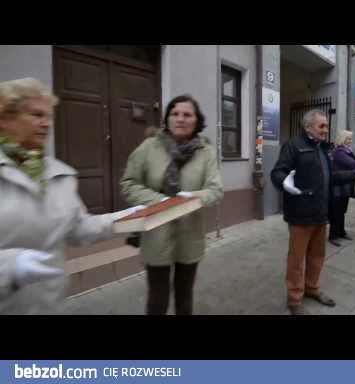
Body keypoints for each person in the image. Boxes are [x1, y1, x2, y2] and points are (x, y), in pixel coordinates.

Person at [0, 78, 144, 314]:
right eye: (36, 115)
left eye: (49, 117)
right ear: (5, 118)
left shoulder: (59, 175)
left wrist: (127, 218)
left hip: (48, 305)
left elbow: (79, 229)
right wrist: (9, 267)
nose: (46, 124)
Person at [121, 95, 223, 315]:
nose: (180, 119)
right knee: (157, 299)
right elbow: (129, 183)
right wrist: (162, 202)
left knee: (184, 297)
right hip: (156, 234)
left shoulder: (206, 152)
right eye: (175, 114)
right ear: (167, 118)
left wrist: (191, 198)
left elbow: (215, 189)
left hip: (189, 236)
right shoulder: (149, 147)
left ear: (197, 120)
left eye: (187, 115)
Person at [270, 109, 355, 315]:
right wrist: (284, 182)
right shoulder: (293, 145)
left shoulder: (324, 149)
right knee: (297, 259)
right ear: (307, 127)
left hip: (321, 212)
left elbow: (331, 177)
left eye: (326, 125)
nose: (326, 129)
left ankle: (312, 289)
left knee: (317, 256)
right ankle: (294, 299)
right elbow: (277, 172)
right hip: (300, 213)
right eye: (321, 125)